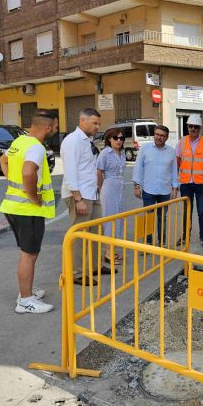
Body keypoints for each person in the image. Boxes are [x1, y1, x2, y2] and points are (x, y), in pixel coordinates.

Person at [0, 109, 58, 313]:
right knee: (29, 254)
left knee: (28, 253)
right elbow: (28, 172)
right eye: (56, 127)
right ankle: (25, 300)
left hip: (12, 206)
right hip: (27, 209)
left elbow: (2, 160)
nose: (57, 130)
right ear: (48, 127)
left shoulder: (19, 141)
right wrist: (34, 197)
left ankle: (27, 291)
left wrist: (12, 183)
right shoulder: (36, 147)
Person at [61, 108, 114, 283]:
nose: (98, 127)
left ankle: (94, 266)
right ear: (82, 120)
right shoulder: (72, 141)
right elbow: (70, 172)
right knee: (79, 236)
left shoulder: (86, 141)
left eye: (99, 123)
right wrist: (78, 198)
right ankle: (76, 273)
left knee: (96, 232)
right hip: (80, 196)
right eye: (94, 123)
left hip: (91, 194)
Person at [133, 125, 179, 245]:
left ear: (167, 137)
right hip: (149, 190)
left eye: (162, 136)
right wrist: (136, 186)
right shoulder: (145, 149)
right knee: (148, 217)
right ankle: (147, 243)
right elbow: (138, 167)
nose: (159, 137)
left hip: (164, 191)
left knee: (162, 218)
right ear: (154, 134)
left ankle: (161, 243)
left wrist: (175, 188)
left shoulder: (171, 151)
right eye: (157, 134)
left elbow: (174, 171)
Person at [176, 114, 203, 248]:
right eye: (190, 126)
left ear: (200, 128)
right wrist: (177, 182)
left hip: (201, 183)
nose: (193, 129)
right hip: (186, 183)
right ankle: (185, 236)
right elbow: (178, 162)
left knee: (202, 211)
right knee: (187, 211)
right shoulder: (181, 142)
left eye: (196, 127)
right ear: (187, 127)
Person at [97, 127, 126, 264]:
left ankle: (112, 250)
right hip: (109, 187)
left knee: (118, 219)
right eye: (116, 138)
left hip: (119, 188)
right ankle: (108, 253)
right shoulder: (105, 153)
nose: (119, 141)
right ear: (109, 139)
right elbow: (99, 172)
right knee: (109, 219)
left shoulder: (122, 153)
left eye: (121, 138)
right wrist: (100, 188)